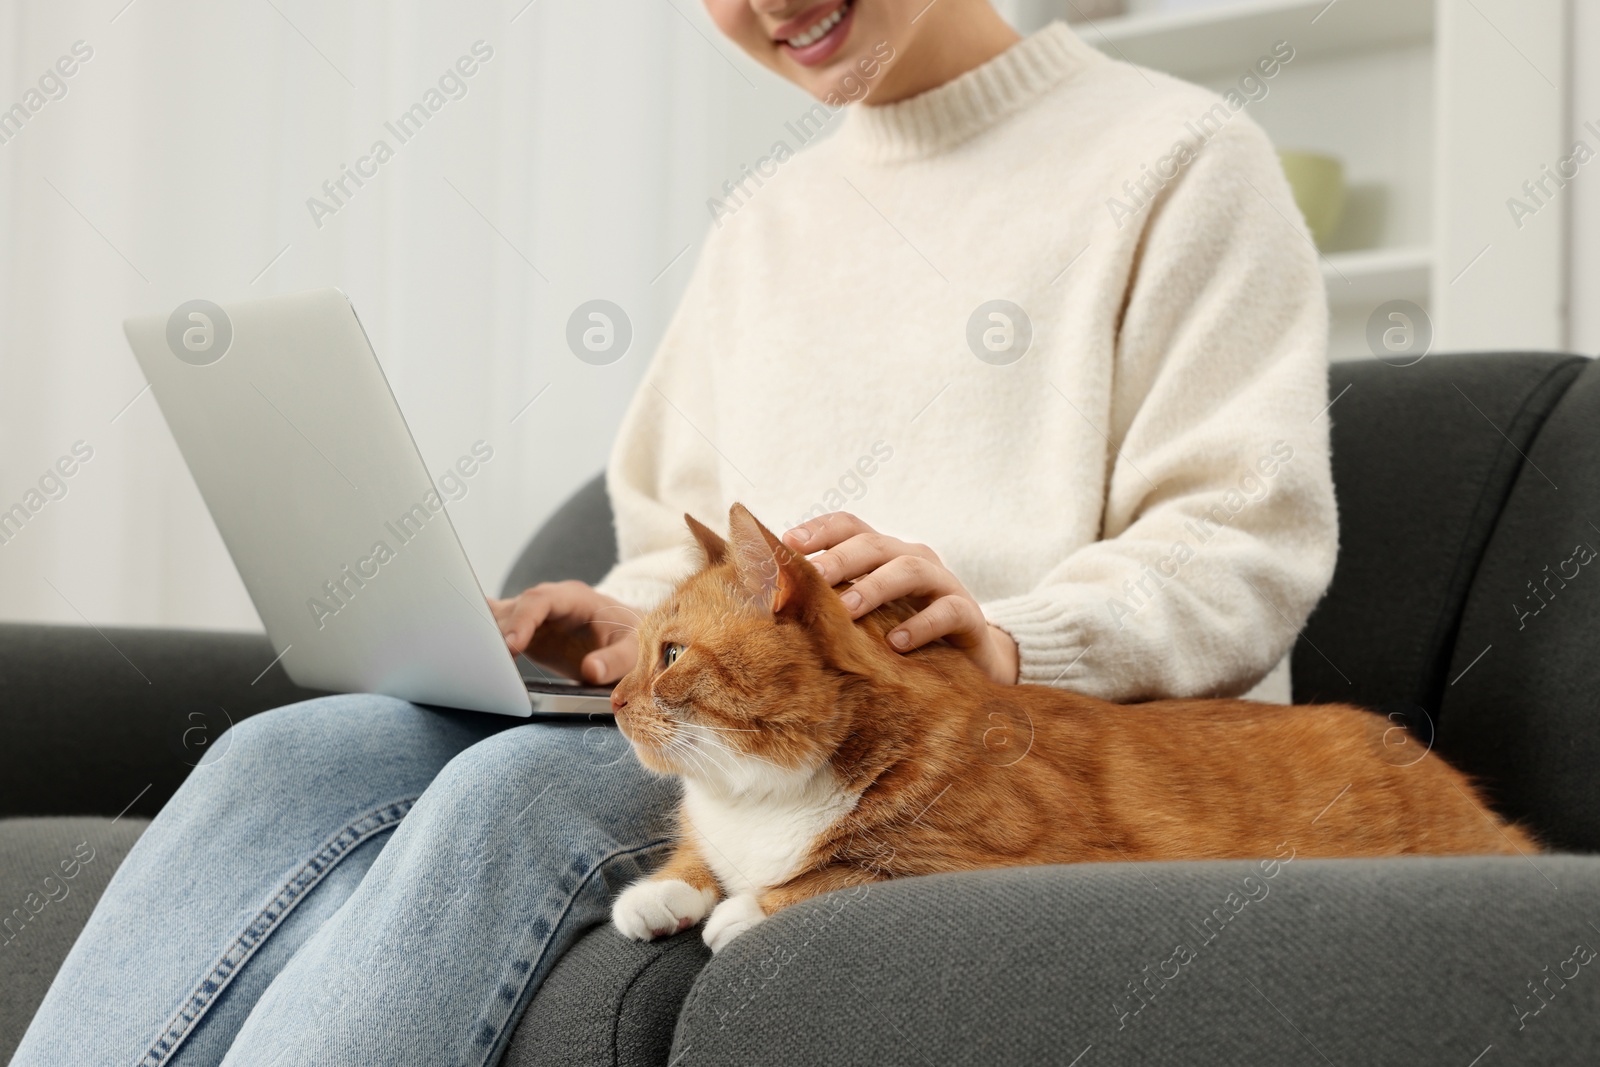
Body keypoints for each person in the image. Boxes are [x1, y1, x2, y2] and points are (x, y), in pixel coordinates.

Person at [12, 0, 1336, 1062]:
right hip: (753, 710)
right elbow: (689, 548)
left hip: (972, 742)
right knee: (287, 751)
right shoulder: (766, 222)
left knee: (509, 794)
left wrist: (1010, 633)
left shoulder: (1176, 155)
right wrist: (630, 613)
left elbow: (1243, 547)